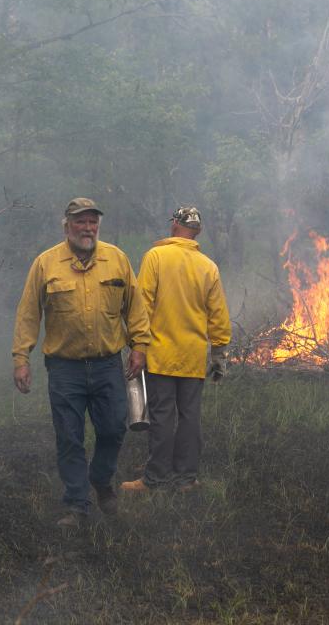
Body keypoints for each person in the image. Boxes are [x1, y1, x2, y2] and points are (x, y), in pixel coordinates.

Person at [12, 197, 150, 527]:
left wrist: (140, 345)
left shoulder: (116, 259)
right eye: (80, 222)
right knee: (69, 437)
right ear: (67, 226)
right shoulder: (46, 264)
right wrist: (21, 358)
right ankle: (77, 505)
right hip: (64, 368)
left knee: (114, 428)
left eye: (92, 222)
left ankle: (100, 479)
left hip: (107, 365)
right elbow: (29, 313)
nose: (87, 228)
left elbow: (136, 308)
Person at [120, 206, 231, 493]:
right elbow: (218, 315)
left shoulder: (156, 257)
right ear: (197, 231)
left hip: (160, 356)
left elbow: (141, 305)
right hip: (192, 358)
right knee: (190, 418)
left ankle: (154, 479)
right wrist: (219, 355)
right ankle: (186, 479)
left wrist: (137, 345)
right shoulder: (208, 266)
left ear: (174, 225)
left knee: (161, 418)